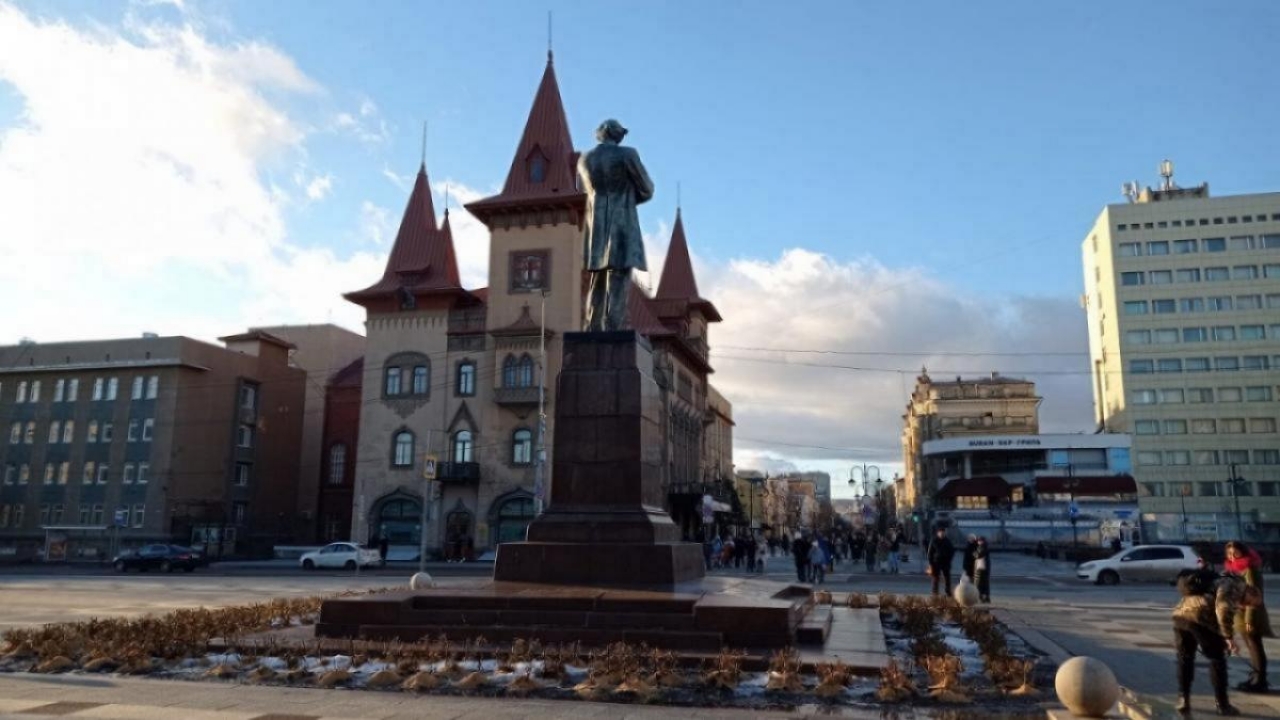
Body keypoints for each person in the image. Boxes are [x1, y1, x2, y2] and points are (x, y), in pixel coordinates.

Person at [578, 119, 654, 332]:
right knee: (619, 276)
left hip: (596, 226)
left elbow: (586, 191)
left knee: (597, 278)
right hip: (620, 222)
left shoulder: (585, 159)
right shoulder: (627, 155)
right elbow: (647, 188)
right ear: (616, 134)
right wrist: (627, 196)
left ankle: (592, 325)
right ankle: (614, 326)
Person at [1171, 569, 1260, 715]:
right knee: (1218, 659)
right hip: (1201, 618)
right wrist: (1228, 637)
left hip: (1181, 616)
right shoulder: (1234, 585)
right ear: (1250, 592)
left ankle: (1183, 699)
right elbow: (1223, 609)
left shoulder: (1224, 580)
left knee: (1185, 658)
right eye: (1249, 603)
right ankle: (1222, 705)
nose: (1245, 607)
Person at [1224, 541, 1273, 693]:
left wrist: (1249, 620)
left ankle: (1260, 681)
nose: (1232, 557)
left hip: (1251, 615)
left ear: (1243, 552)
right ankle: (1254, 677)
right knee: (1251, 648)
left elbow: (1255, 595)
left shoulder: (1249, 570)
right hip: (1240, 615)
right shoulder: (1234, 569)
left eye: (1235, 553)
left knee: (1255, 647)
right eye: (1229, 554)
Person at [927, 527, 955, 597]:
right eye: (941, 532)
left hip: (946, 562)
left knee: (947, 578)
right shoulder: (934, 540)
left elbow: (952, 551)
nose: (942, 534)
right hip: (936, 562)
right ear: (938, 533)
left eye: (943, 532)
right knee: (936, 578)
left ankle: (948, 592)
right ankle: (935, 592)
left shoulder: (947, 541)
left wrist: (949, 559)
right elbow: (930, 553)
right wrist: (931, 563)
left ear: (945, 533)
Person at [973, 536, 992, 603]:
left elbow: (978, 555)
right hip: (984, 568)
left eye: (979, 541)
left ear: (981, 541)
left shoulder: (982, 547)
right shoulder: (985, 547)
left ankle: (981, 597)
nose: (978, 542)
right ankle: (985, 597)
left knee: (979, 582)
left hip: (981, 568)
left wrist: (974, 553)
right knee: (984, 583)